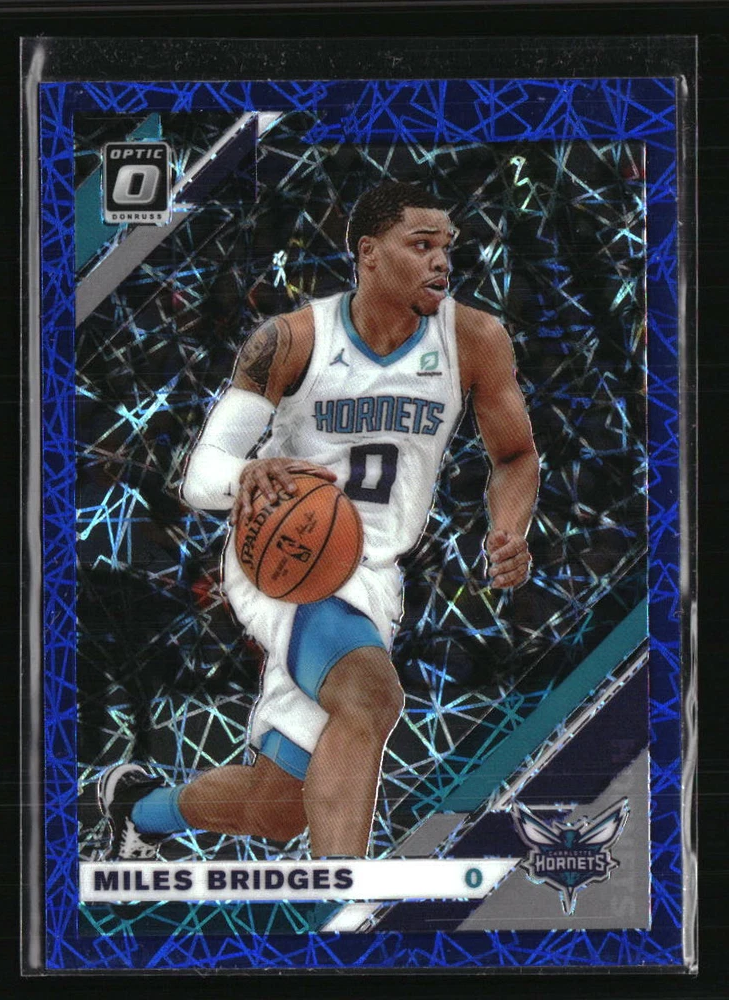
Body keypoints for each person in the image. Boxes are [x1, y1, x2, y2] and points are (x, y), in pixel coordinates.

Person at [99, 180, 539, 861]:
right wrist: (247, 475)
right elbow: (202, 473)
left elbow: (515, 455)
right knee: (369, 697)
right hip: (282, 557)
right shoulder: (292, 338)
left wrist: (509, 528)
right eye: (421, 245)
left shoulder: (475, 339)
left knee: (277, 809)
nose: (441, 261)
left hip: (373, 573)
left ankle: (138, 810)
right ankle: (344, 908)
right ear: (369, 253)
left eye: (446, 247)